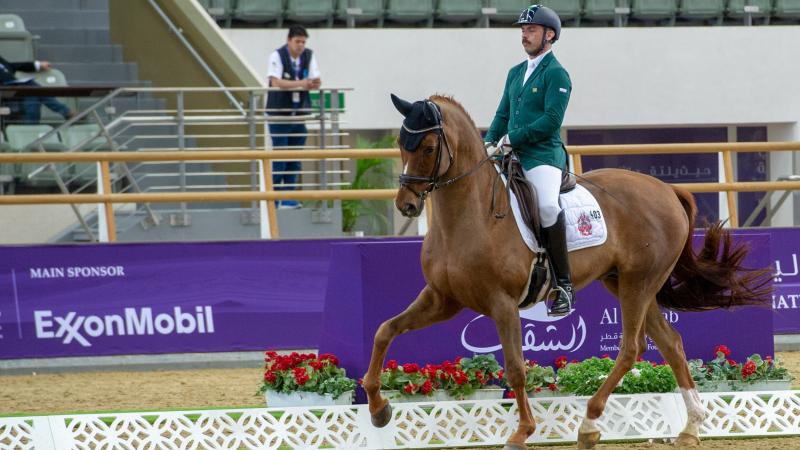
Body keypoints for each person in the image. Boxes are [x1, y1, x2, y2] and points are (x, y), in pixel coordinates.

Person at [483, 5, 574, 317]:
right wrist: (488, 142)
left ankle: (564, 284)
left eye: (531, 29)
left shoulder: (557, 74)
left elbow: (551, 121)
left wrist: (513, 139)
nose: (525, 34)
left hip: (543, 156)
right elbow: (502, 114)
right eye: (523, 30)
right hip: (511, 154)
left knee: (548, 206)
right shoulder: (515, 72)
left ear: (549, 35)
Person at [265, 25, 321, 209]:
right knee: (280, 157)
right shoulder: (277, 55)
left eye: (303, 42)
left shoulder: (308, 55)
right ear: (289, 40)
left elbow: (315, 80)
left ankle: (288, 197)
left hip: (298, 115)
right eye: (297, 41)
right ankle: (274, 199)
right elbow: (276, 82)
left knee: (294, 158)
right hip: (279, 114)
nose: (300, 46)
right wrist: (302, 83)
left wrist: (312, 83)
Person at [0, 55, 73, 124]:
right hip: (4, 92)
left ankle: (31, 128)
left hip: (16, 89)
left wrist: (38, 65)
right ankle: (66, 112)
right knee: (31, 87)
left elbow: (11, 66)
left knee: (32, 94)